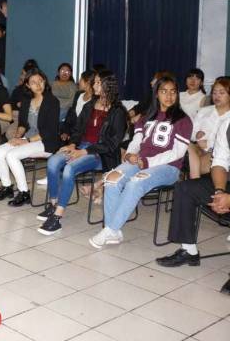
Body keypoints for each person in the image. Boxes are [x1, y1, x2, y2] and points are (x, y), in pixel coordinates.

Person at [89, 75, 192, 248]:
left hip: (168, 168)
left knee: (135, 183)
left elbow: (177, 152)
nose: (169, 96)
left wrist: (148, 161)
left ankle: (110, 229)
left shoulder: (183, 120)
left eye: (173, 92)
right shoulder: (147, 116)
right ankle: (113, 231)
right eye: (164, 91)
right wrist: (130, 154)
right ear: (156, 94)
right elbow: (137, 140)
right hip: (141, 161)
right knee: (111, 179)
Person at [36, 71, 127, 235]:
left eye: (98, 82)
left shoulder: (118, 112)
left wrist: (84, 151)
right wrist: (72, 144)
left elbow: (112, 144)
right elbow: (77, 130)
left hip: (101, 154)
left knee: (69, 169)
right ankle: (53, 204)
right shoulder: (89, 105)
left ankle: (57, 217)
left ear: (108, 86)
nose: (94, 85)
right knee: (53, 162)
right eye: (95, 82)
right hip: (81, 147)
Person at [155, 118, 230, 270]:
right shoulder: (228, 123)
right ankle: (189, 250)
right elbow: (220, 162)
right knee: (185, 188)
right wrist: (219, 192)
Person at [0, 69, 60, 206]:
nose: (38, 85)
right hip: (28, 139)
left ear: (45, 81)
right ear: (28, 85)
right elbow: (23, 124)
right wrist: (17, 137)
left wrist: (26, 141)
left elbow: (49, 130)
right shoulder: (27, 101)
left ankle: (24, 193)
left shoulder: (52, 101)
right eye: (33, 82)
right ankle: (7, 187)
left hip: (46, 141)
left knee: (12, 155)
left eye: (40, 81)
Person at [188, 78, 230, 178]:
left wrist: (209, 144)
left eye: (221, 93)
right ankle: (194, 180)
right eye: (214, 93)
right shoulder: (204, 111)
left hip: (218, 152)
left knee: (199, 162)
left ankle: (194, 179)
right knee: (187, 145)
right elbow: (192, 133)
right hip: (197, 149)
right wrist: (196, 135)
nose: (217, 96)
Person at [60, 70, 95, 142]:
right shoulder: (78, 94)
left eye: (81, 79)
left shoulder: (95, 100)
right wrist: (66, 132)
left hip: (83, 137)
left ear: (87, 82)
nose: (78, 82)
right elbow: (70, 115)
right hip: (71, 133)